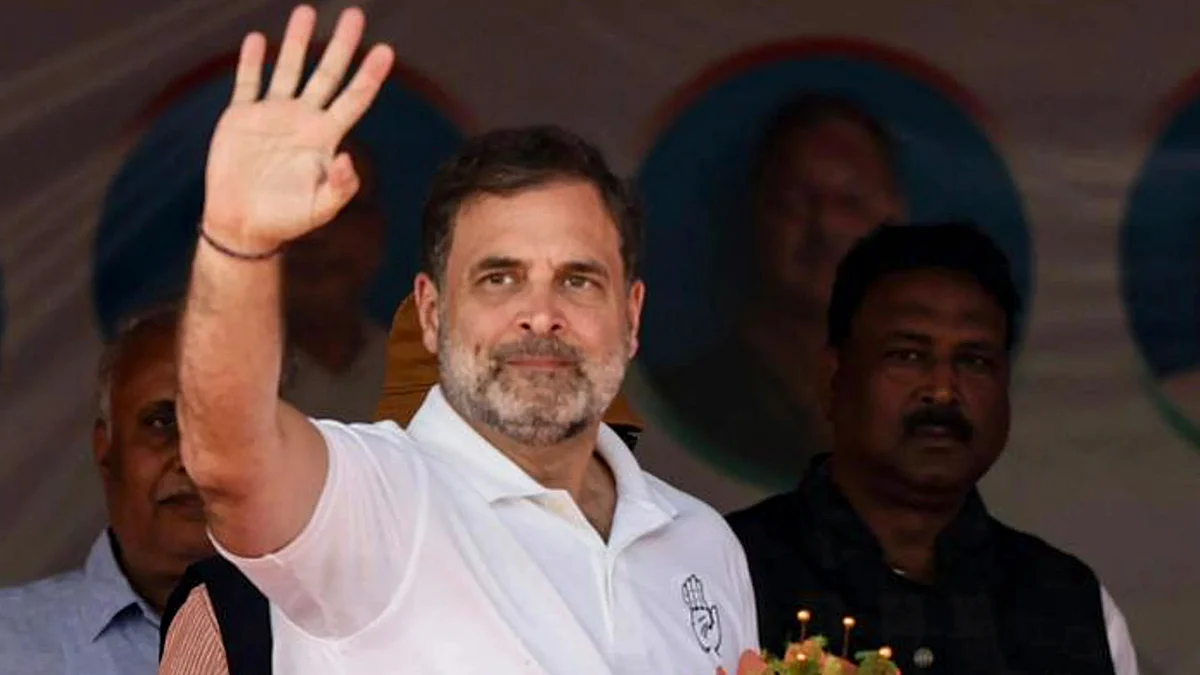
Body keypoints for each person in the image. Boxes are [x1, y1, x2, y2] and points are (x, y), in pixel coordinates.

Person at [174, 6, 757, 675]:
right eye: (499, 278)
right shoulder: (378, 502)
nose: (540, 314)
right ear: (430, 312)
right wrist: (237, 243)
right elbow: (229, 456)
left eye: (578, 279)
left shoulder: (703, 541)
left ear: (631, 317)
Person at [156, 292, 648, 675]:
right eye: (507, 462)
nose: (578, 487)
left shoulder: (673, 569)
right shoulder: (242, 610)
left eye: (603, 453)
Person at [727, 222, 1140, 675]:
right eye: (907, 355)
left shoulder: (1069, 603)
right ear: (833, 379)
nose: (943, 390)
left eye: (974, 361)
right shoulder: (724, 569)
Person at [651, 93, 905, 489]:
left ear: (894, 218)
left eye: (851, 202)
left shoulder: (929, 403)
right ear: (756, 217)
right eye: (794, 203)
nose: (826, 226)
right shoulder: (691, 404)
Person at [0, 305, 214, 674]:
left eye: (220, 425)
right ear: (106, 452)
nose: (190, 456)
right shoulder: (9, 644)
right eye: (161, 422)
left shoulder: (330, 633)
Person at [280, 138, 390, 421]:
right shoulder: (210, 372)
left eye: (342, 211)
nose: (316, 236)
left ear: (375, 233)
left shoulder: (435, 379)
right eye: (296, 210)